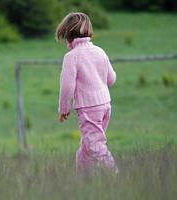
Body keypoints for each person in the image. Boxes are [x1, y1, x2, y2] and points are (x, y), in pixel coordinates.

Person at [56, 12, 118, 172]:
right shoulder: (99, 51)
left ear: (67, 34)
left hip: (89, 108)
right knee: (86, 147)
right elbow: (111, 79)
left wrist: (64, 108)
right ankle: (83, 180)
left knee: (95, 146)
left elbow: (67, 87)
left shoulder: (71, 57)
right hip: (105, 106)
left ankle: (115, 175)